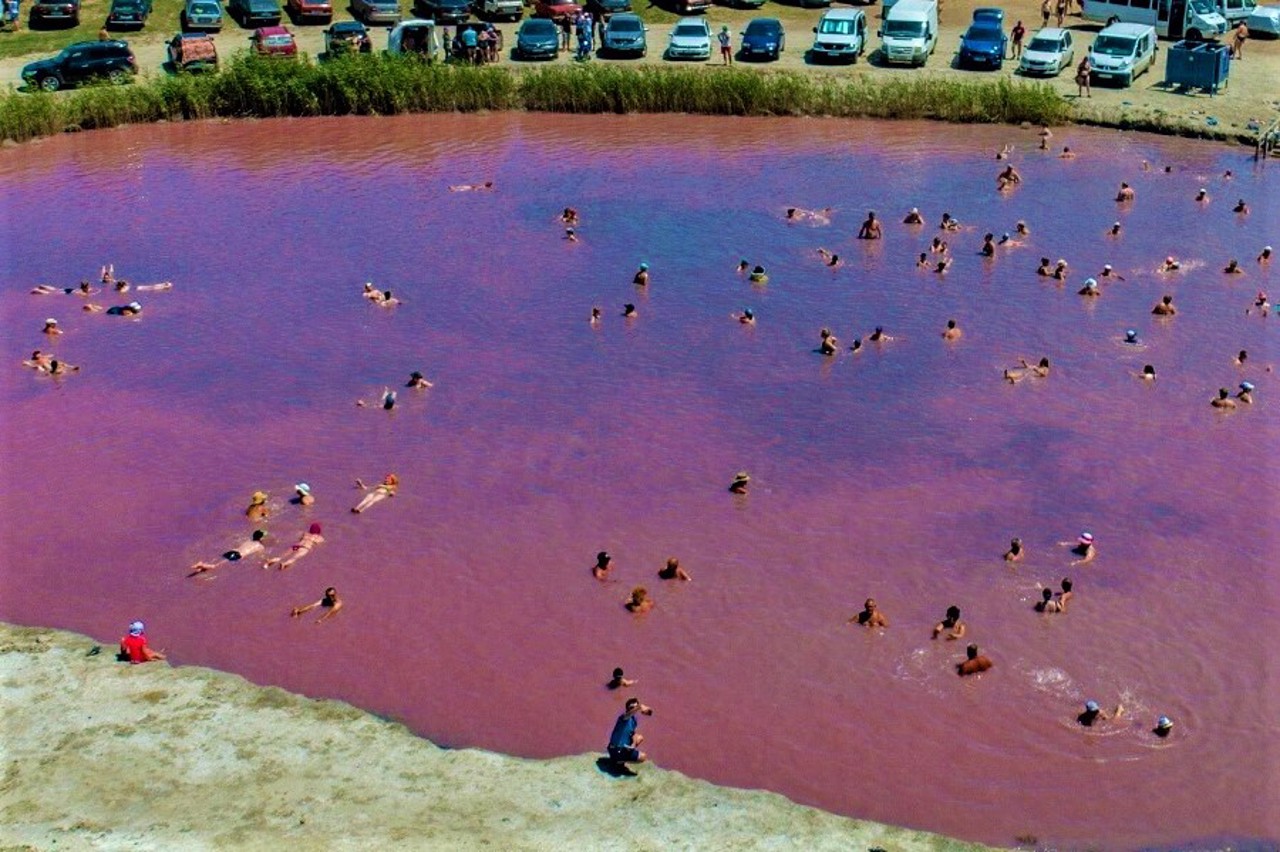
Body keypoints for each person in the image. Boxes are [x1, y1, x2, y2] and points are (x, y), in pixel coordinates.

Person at [188, 530, 268, 575]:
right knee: (215, 566)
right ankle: (201, 564)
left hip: (232, 551)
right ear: (261, 538)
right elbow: (261, 557)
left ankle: (200, 569)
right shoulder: (260, 546)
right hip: (237, 555)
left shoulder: (248, 541)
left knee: (217, 563)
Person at [606, 697, 653, 766]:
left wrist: (633, 745)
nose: (633, 709)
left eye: (635, 707)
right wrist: (640, 706)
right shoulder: (623, 717)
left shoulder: (634, 720)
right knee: (643, 757)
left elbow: (633, 734)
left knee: (640, 738)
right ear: (627, 708)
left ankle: (622, 759)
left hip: (624, 748)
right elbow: (628, 715)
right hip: (615, 749)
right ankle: (618, 762)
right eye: (631, 707)